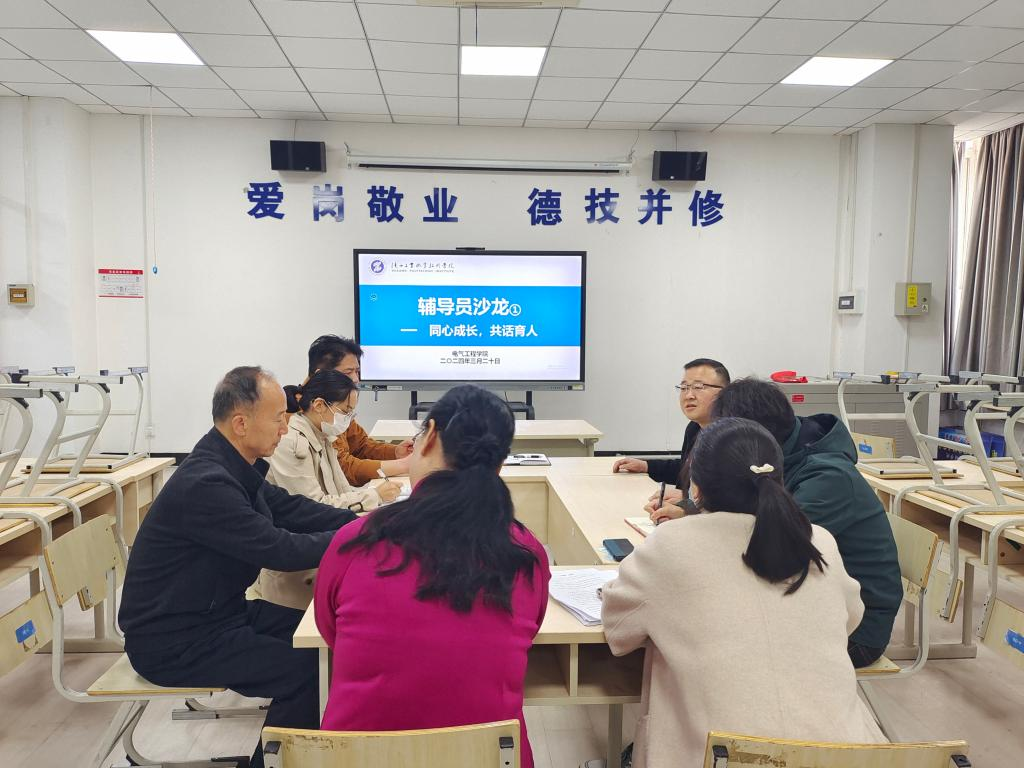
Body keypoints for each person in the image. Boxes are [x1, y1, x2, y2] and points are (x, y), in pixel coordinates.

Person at [602, 418, 884, 768]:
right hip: (844, 755)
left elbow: (619, 631)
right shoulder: (817, 540)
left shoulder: (671, 544)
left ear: (695, 488)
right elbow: (850, 618)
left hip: (722, 756)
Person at [119, 367, 358, 768]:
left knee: (331, 638)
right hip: (173, 640)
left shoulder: (233, 465)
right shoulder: (207, 483)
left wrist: (361, 523)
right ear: (241, 423)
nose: (286, 427)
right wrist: (360, 539)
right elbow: (278, 549)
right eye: (278, 418)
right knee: (306, 672)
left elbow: (290, 509)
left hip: (220, 615)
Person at [314, 385, 550, 768]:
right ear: (500, 464)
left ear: (431, 436)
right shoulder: (526, 553)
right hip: (487, 759)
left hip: (359, 759)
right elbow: (528, 630)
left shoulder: (355, 541)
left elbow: (332, 635)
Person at [704, 378, 903, 668]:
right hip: (814, 599)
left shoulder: (828, 478)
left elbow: (767, 543)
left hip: (857, 630)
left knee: (713, 645)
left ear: (755, 436)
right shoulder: (784, 456)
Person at [255, 369, 403, 610]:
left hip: (320, 548)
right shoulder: (291, 443)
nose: (348, 419)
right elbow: (313, 506)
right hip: (299, 573)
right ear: (319, 405)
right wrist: (374, 495)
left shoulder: (323, 436)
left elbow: (340, 491)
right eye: (345, 411)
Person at [613, 358, 730, 514]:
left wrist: (689, 504)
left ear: (725, 392)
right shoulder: (694, 428)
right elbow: (687, 469)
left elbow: (736, 497)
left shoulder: (734, 437)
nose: (689, 395)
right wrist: (646, 466)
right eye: (684, 387)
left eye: (698, 387)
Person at [307, 334, 412, 484]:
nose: (355, 379)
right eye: (348, 372)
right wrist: (402, 465)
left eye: (357, 371)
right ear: (321, 375)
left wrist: (396, 452)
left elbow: (361, 445)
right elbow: (342, 468)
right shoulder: (309, 413)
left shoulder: (337, 404)